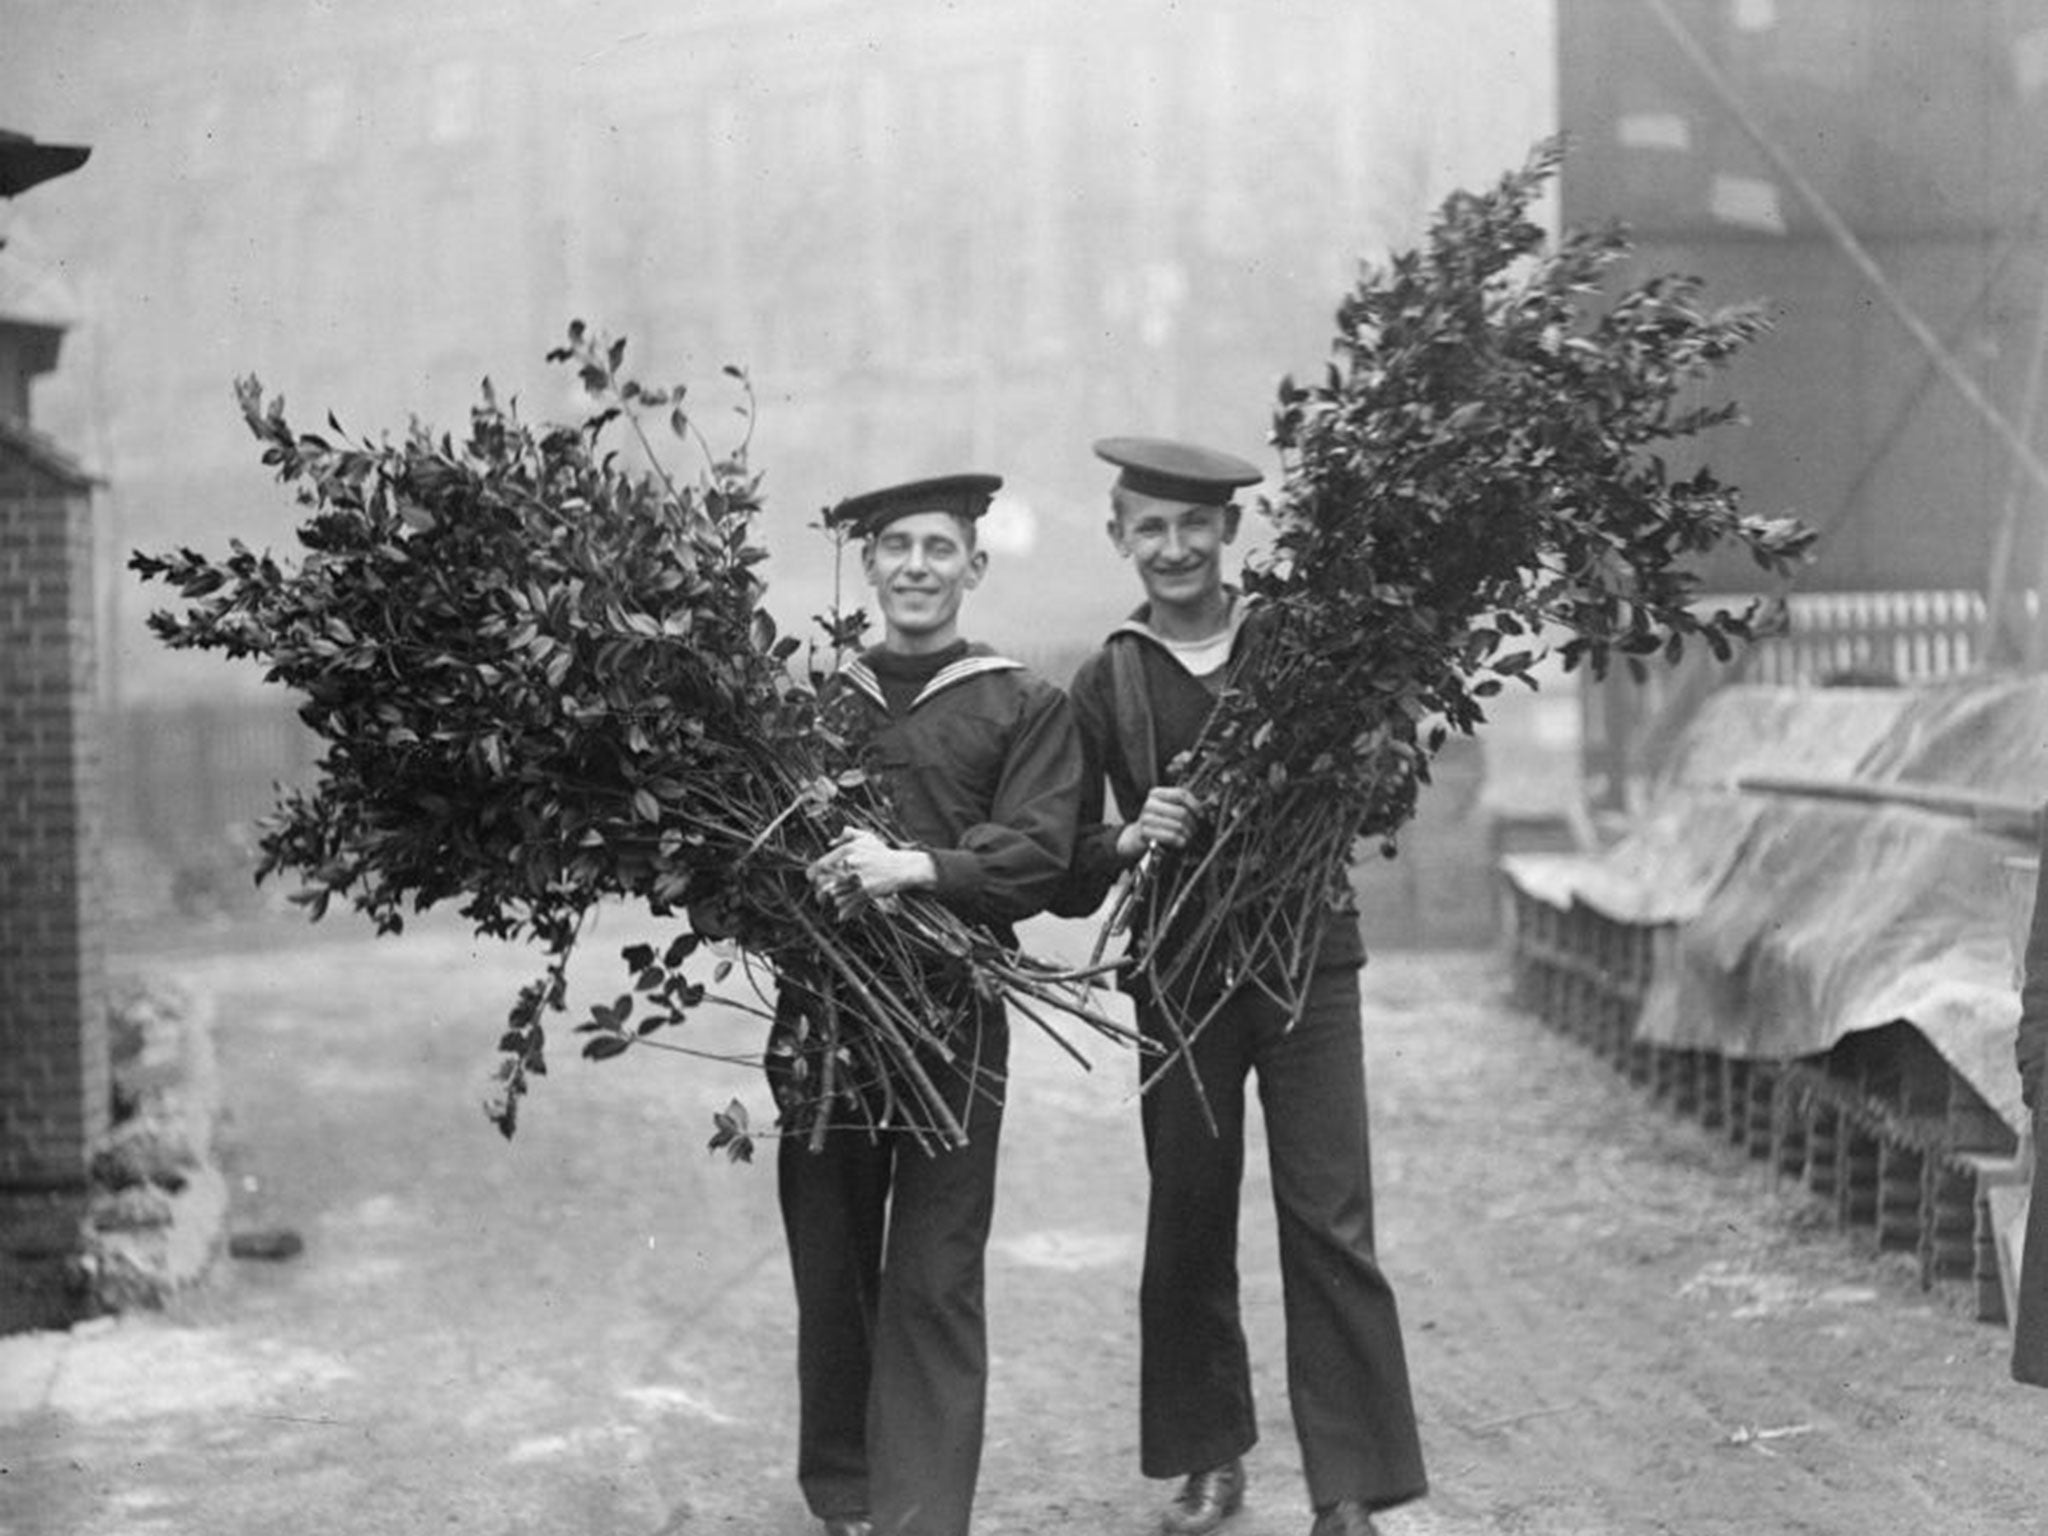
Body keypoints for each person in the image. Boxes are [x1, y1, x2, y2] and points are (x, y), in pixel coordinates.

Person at [1053, 438, 1428, 1536]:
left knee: (1328, 1215)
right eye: (1148, 529)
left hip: (1308, 958)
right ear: (1118, 538)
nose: (1172, 549)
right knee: (1188, 1212)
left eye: (1192, 527)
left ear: (1228, 534)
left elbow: (1379, 790)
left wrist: (1354, 767)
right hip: (1176, 971)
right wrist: (1130, 836)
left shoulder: (1301, 651)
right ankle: (1207, 1462)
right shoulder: (1106, 677)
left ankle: (1348, 1486)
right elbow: (1067, 861)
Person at [776, 472, 1085, 1536]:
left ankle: (921, 1514)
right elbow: (745, 862)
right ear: (867, 567)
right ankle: (848, 1493)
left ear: (973, 567)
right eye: (896, 547)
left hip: (955, 1011)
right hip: (827, 1010)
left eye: (938, 549)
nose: (915, 567)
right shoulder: (804, 705)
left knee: (937, 1268)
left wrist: (913, 868)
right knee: (832, 1255)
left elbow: (1039, 856)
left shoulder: (1022, 704)